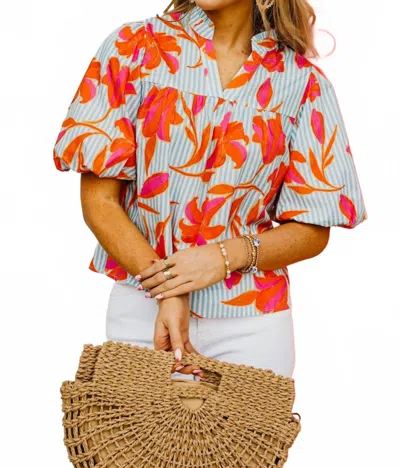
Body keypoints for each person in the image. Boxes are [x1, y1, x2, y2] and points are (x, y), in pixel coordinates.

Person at [52, 0, 368, 382]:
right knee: (128, 423)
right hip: (143, 309)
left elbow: (312, 230)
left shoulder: (303, 85)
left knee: (248, 427)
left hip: (253, 326)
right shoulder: (134, 47)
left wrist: (222, 258)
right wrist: (169, 288)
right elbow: (99, 201)